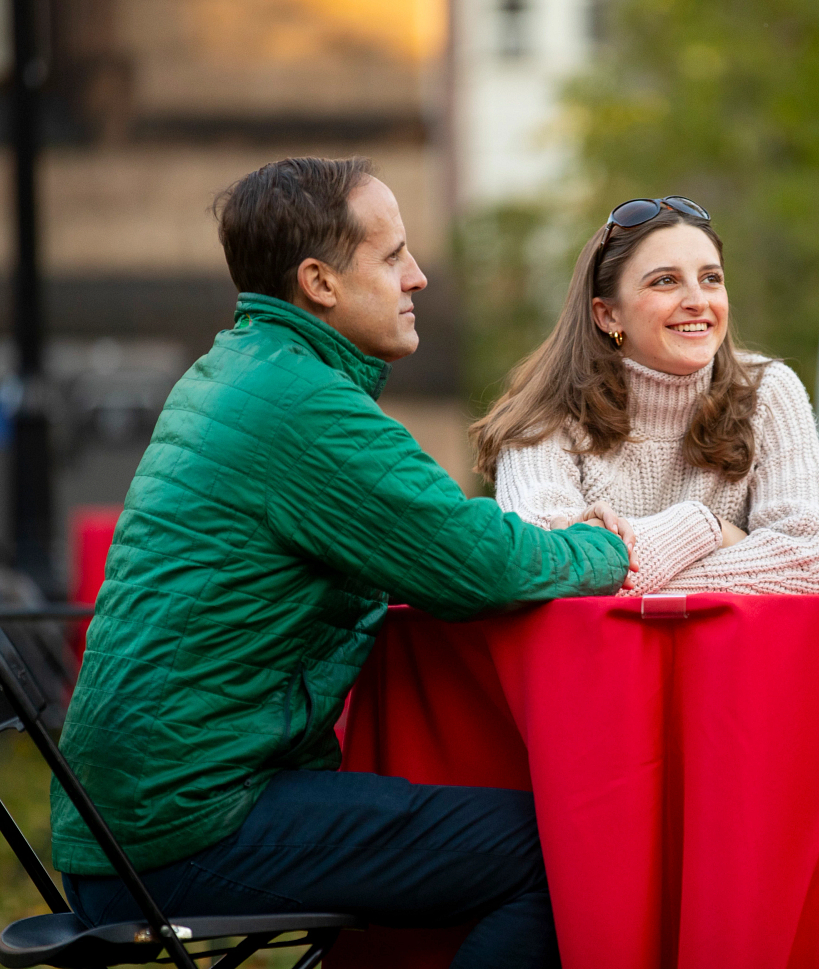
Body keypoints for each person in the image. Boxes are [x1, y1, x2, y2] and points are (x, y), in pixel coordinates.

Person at [49, 157, 632, 968]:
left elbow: (433, 542)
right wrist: (607, 547)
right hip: (182, 833)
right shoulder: (302, 406)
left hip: (126, 821)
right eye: (392, 256)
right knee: (560, 857)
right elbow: (481, 564)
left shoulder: (236, 372)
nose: (419, 277)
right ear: (319, 282)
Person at [472, 196, 819, 595]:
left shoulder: (768, 393)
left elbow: (814, 567)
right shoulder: (544, 412)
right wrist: (704, 529)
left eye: (711, 278)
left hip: (728, 657)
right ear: (607, 315)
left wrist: (631, 560)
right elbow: (551, 574)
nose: (698, 301)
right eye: (665, 280)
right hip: (601, 658)